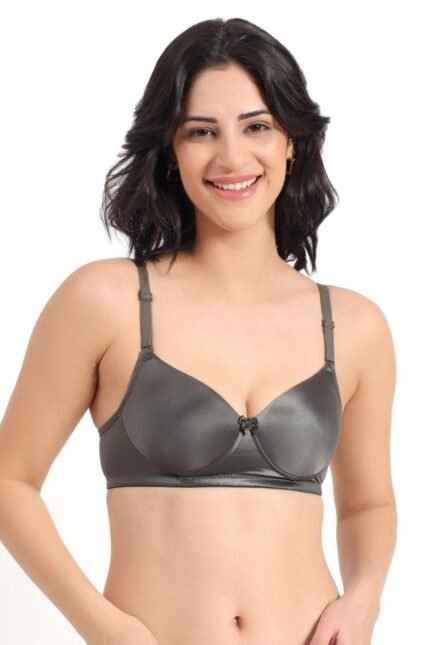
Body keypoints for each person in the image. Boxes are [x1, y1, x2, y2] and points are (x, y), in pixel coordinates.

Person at [0, 16, 397, 645]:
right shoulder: (106, 302)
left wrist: (365, 598)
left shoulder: (353, 326)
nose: (232, 157)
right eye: (201, 131)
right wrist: (103, 627)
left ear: (292, 142)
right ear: (170, 151)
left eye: (256, 126)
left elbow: (367, 503)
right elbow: (9, 480)